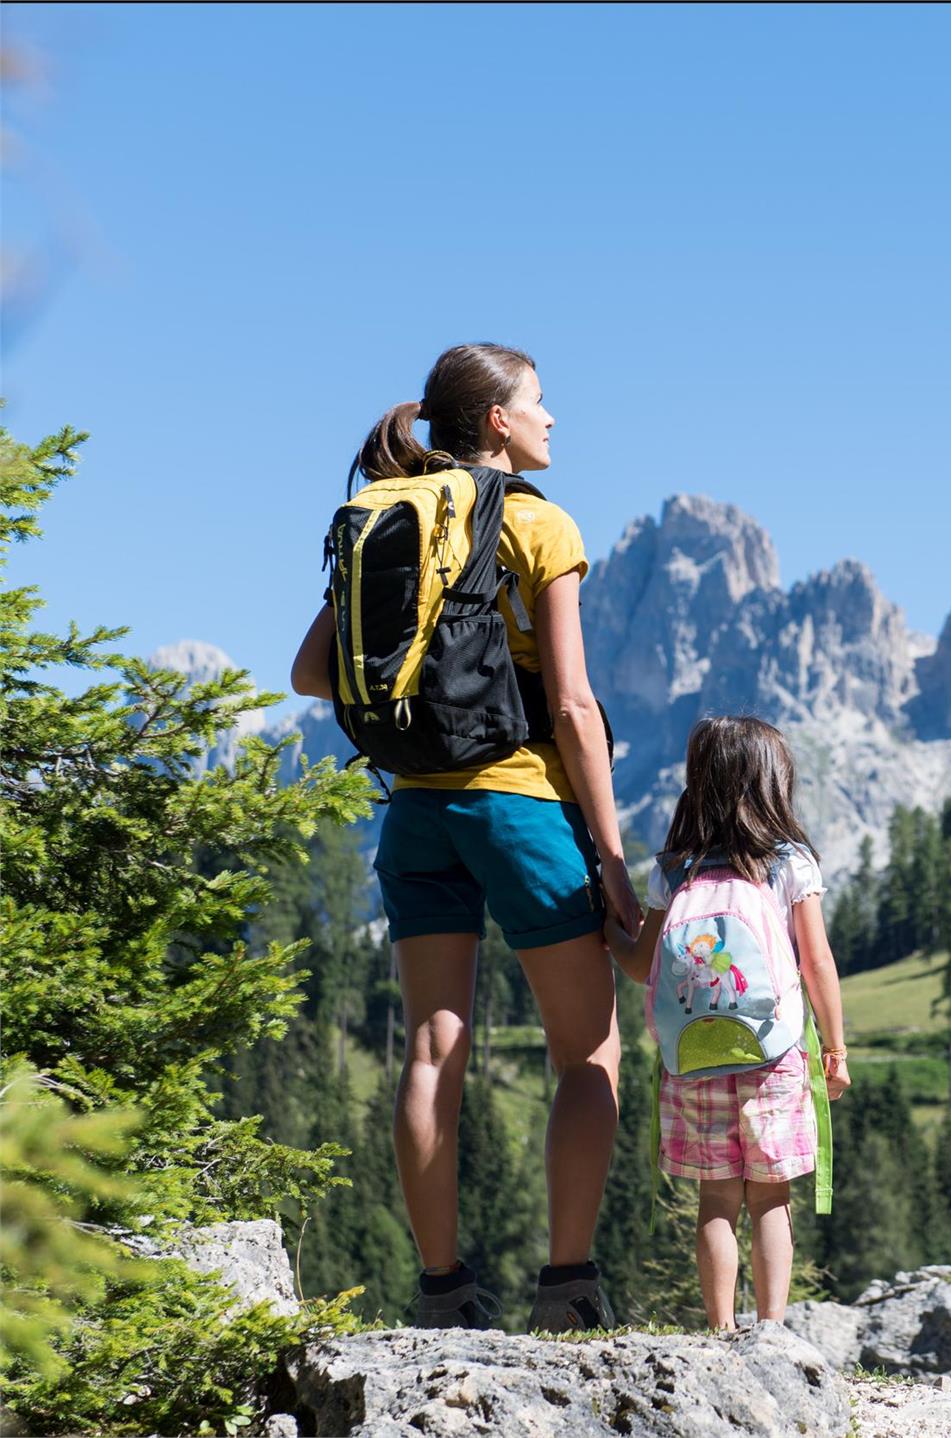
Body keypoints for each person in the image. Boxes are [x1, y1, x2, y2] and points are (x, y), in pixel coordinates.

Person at [290, 343, 644, 1331]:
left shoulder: (392, 514)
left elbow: (311, 673)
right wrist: (612, 860)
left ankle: (443, 1291)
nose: (552, 418)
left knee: (434, 1046)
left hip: (415, 810)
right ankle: (567, 1287)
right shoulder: (539, 525)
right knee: (587, 1056)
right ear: (496, 420)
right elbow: (573, 706)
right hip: (519, 806)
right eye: (539, 401)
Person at [611, 715, 851, 1329]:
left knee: (715, 1200)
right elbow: (817, 961)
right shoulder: (787, 862)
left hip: (692, 1060)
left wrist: (605, 925)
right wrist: (837, 1049)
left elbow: (643, 965)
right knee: (771, 1197)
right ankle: (770, 1330)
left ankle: (719, 1331)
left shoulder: (674, 869)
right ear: (770, 785)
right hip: (775, 1057)